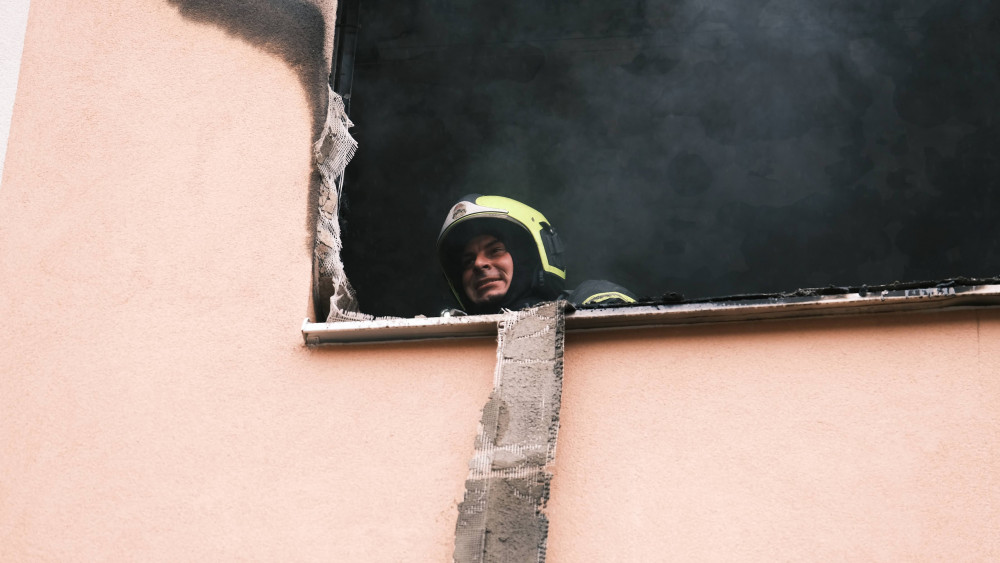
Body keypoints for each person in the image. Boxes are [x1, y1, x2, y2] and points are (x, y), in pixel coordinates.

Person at [437, 194, 637, 315]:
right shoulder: (450, 342)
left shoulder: (590, 299)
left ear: (528, 259)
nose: (479, 264)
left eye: (495, 251)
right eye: (468, 261)